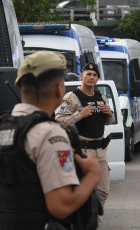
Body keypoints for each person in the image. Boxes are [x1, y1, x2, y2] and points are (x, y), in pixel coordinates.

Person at [0, 51, 102, 230]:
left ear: (19, 87)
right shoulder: (50, 134)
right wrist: (92, 174)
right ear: (60, 89)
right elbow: (61, 206)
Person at [55, 62, 115, 222]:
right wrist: (79, 115)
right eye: (88, 74)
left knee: (103, 190)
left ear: (97, 79)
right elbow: (59, 121)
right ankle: (82, 222)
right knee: (82, 190)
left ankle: (93, 220)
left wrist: (110, 113)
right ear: (82, 76)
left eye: (94, 75)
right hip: (81, 150)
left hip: (100, 149)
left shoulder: (100, 96)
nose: (91, 77)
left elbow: (109, 121)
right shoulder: (71, 97)